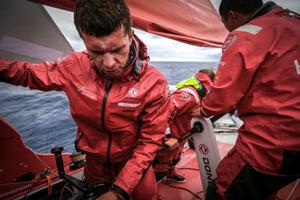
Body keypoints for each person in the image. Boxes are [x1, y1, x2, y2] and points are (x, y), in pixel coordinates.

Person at [0, 0, 171, 199]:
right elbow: (27, 73)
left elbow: (149, 143)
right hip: (94, 166)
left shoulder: (154, 83)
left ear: (130, 35)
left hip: (134, 165)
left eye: (117, 50)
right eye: (97, 52)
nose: (108, 63)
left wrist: (119, 191)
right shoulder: (73, 66)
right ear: (84, 41)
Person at [191, 0, 300, 199]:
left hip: (272, 142)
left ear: (232, 15)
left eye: (225, 24)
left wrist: (203, 110)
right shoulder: (293, 23)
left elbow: (223, 95)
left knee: (221, 191)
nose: (227, 30)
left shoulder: (247, 34)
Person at [154, 69, 215, 183]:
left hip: (181, 134)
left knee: (175, 156)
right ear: (210, 83)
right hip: (171, 136)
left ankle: (170, 173)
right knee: (161, 166)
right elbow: (163, 111)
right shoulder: (189, 95)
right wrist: (167, 137)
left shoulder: (199, 93)